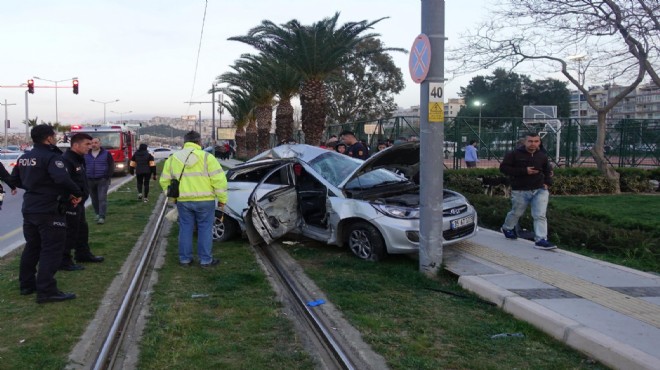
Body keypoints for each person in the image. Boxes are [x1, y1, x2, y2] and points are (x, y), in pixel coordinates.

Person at [10, 124, 83, 303]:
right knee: (51, 250)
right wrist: (77, 192)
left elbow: (15, 180)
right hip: (49, 209)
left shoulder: (24, 157)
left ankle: (27, 285)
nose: (56, 138)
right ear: (49, 138)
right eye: (54, 135)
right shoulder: (51, 157)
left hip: (30, 208)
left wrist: (34, 187)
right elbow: (61, 178)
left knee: (32, 246)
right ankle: (47, 290)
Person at [159, 131, 228, 268]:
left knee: (185, 228)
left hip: (183, 201)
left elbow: (164, 181)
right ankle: (205, 260)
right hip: (205, 201)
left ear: (184, 142)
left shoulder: (173, 158)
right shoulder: (207, 157)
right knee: (205, 229)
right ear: (199, 142)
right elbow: (219, 180)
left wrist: (172, 198)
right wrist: (222, 200)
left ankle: (185, 259)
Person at [499, 133, 556, 250]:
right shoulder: (514, 154)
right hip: (520, 190)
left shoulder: (542, 155)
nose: (533, 144)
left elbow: (548, 170)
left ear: (539, 142)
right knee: (516, 212)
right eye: (530, 141)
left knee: (540, 215)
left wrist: (547, 183)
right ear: (525, 142)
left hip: (540, 190)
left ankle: (541, 239)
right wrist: (524, 171)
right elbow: (504, 168)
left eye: (536, 141)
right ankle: (507, 228)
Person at [60, 133, 105, 271]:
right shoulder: (67, 160)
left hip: (80, 202)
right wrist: (71, 198)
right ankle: (64, 261)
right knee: (70, 231)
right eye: (87, 144)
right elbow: (64, 182)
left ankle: (83, 254)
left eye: (91, 144)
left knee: (82, 229)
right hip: (71, 203)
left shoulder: (80, 159)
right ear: (75, 145)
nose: (90, 147)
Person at [85, 137, 114, 224]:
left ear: (100, 144)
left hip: (102, 180)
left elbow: (111, 165)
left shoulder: (106, 153)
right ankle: (97, 213)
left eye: (96, 142)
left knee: (102, 198)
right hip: (90, 179)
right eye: (92, 143)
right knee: (94, 199)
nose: (94, 144)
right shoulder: (86, 154)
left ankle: (102, 216)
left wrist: (107, 176)